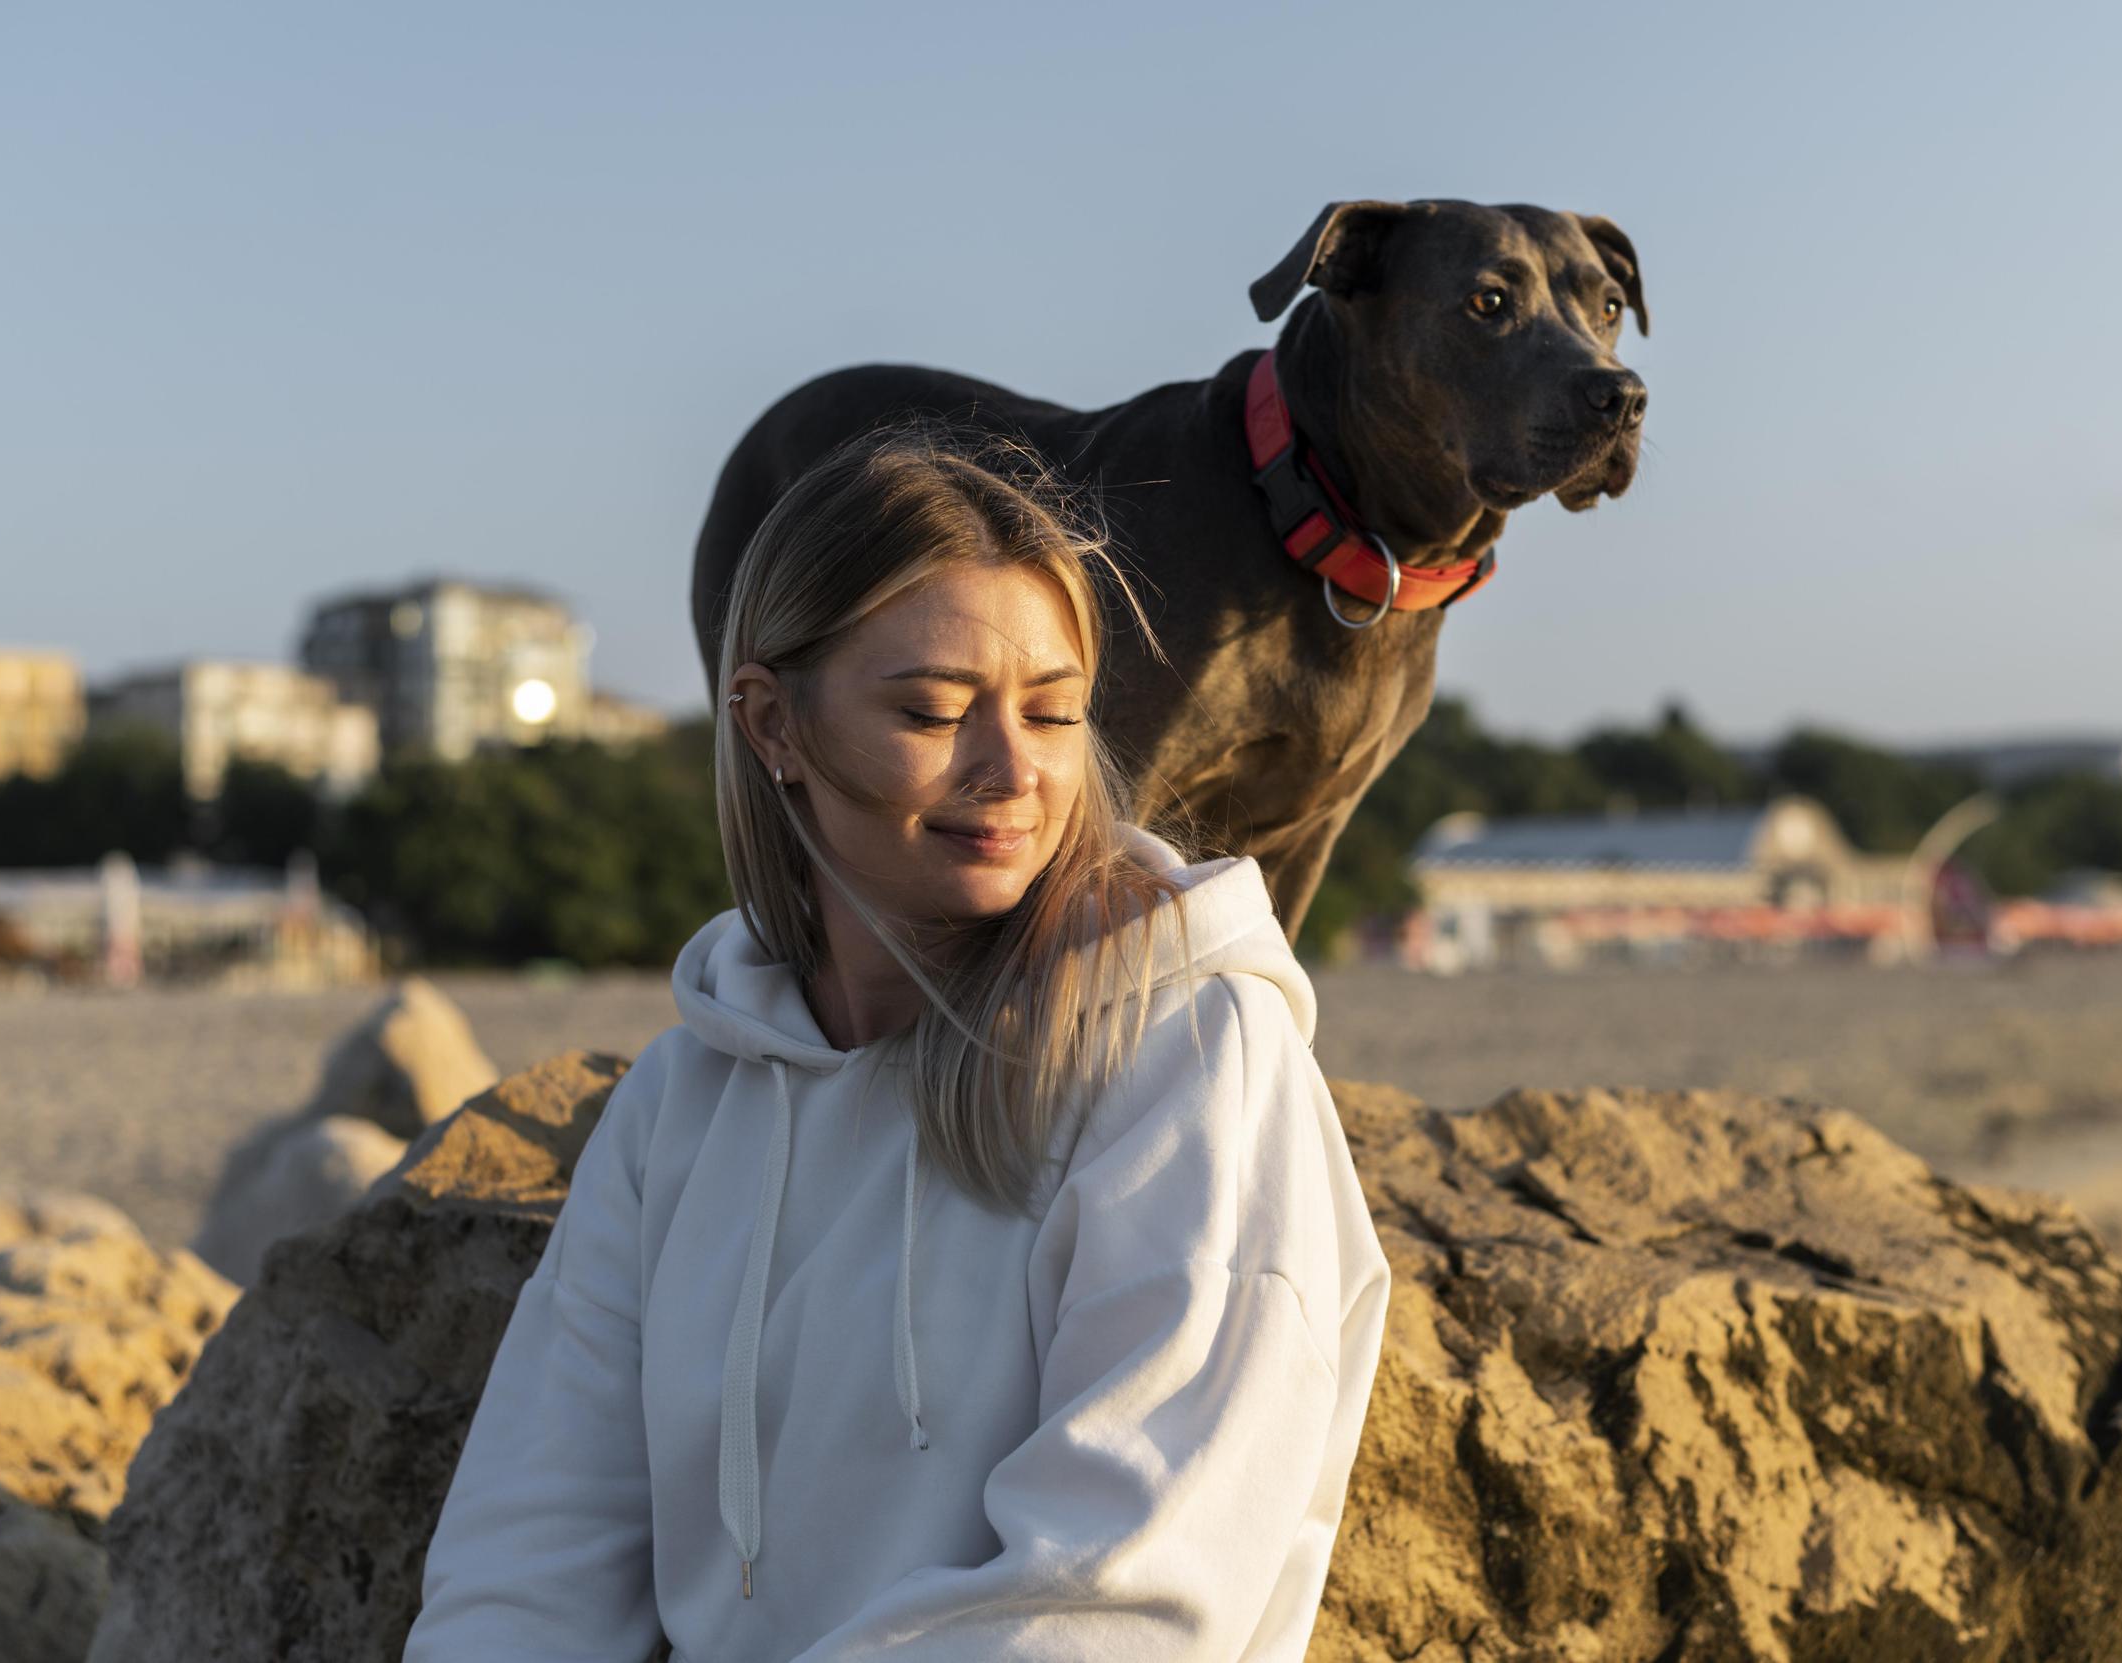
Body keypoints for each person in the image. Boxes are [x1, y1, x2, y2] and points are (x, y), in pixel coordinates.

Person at [402, 418, 1392, 1662]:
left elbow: (1128, 1592)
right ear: (772, 726)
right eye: (932, 712)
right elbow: (529, 1555)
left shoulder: (1189, 1050)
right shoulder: (683, 1105)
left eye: (1053, 712)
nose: (1012, 770)